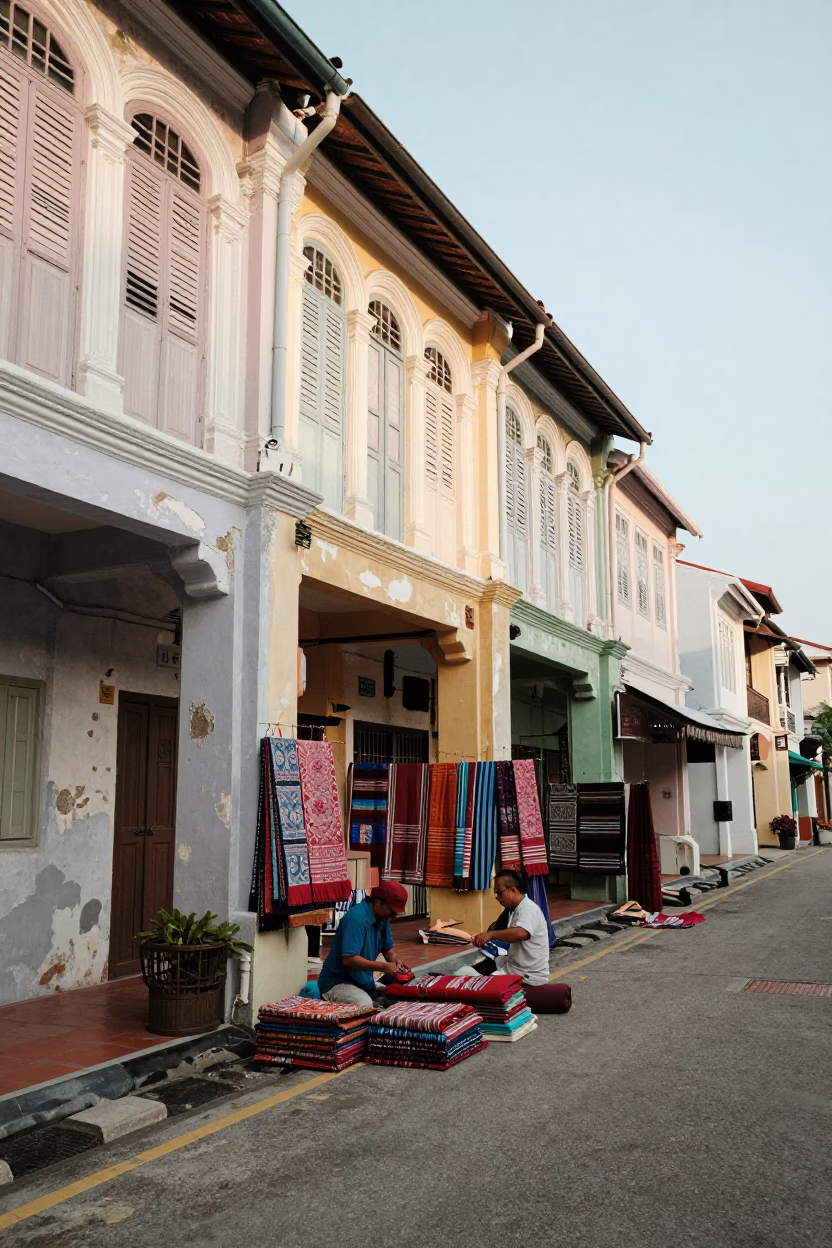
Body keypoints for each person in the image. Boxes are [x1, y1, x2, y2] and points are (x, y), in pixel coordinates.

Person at [318, 881, 411, 1008]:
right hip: (337, 982)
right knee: (365, 1005)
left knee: (400, 995)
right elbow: (349, 960)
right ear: (377, 902)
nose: (393, 916)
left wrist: (399, 964)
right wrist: (384, 967)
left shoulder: (382, 918)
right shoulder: (356, 919)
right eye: (392, 911)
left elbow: (388, 950)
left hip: (362, 982)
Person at [470, 869, 550, 986]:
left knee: (477, 985)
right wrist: (482, 937)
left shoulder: (528, 909)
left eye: (499, 893)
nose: (497, 897)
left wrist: (490, 935)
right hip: (510, 965)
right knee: (471, 971)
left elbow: (520, 933)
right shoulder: (512, 909)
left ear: (513, 890)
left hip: (526, 974)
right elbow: (496, 927)